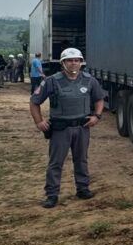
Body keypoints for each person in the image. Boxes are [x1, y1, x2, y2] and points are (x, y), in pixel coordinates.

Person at [29, 48, 106, 209]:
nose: (74, 63)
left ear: (81, 62)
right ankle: (52, 195)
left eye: (77, 60)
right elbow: (34, 101)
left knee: (81, 160)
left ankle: (83, 189)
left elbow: (99, 99)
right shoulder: (51, 81)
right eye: (70, 60)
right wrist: (39, 122)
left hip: (82, 127)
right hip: (61, 129)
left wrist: (96, 116)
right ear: (63, 63)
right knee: (56, 163)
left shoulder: (89, 80)